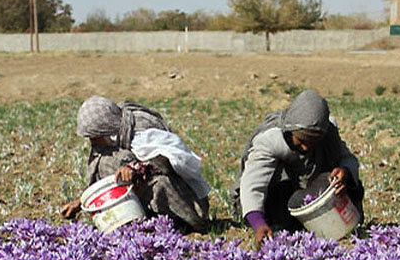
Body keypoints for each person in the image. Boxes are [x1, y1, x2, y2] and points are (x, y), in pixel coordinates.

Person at [232, 89, 363, 248]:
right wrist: (258, 223)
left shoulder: (328, 133)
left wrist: (346, 172)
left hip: (312, 193)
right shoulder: (272, 139)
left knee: (351, 185)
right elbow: (253, 183)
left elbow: (347, 159)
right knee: (279, 215)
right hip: (279, 193)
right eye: (301, 140)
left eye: (313, 141)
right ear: (291, 130)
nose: (306, 146)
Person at [60, 96, 211, 232]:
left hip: (178, 187)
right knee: (104, 163)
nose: (91, 142)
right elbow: (105, 182)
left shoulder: (142, 130)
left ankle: (191, 223)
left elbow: (166, 162)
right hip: (140, 188)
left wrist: (135, 168)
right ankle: (143, 220)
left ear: (104, 129)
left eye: (93, 136)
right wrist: (80, 202)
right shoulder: (111, 139)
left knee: (160, 185)